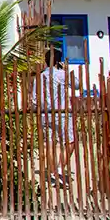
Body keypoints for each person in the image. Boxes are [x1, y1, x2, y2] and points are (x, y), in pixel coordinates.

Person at [35, 49, 77, 186]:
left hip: (45, 114)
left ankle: (53, 173)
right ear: (58, 61)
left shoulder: (39, 77)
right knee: (70, 142)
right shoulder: (62, 75)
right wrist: (66, 69)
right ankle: (58, 170)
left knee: (49, 143)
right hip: (62, 114)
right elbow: (77, 85)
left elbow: (35, 99)